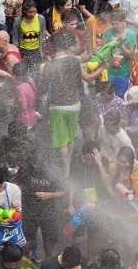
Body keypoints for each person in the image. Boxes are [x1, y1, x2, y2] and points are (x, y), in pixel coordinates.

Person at [42, 30, 103, 175]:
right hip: (75, 105)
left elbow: (44, 89)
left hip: (57, 107)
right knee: (70, 137)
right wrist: (102, 68)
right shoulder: (74, 61)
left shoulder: (48, 67)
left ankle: (66, 168)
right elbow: (89, 78)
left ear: (53, 48)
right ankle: (68, 163)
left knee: (61, 140)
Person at [16, 147, 65, 258]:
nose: (34, 165)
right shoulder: (25, 169)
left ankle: (49, 265)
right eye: (33, 162)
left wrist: (49, 195)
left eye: (37, 163)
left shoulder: (54, 171)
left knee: (48, 245)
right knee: (25, 244)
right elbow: (17, 184)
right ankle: (27, 264)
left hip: (48, 213)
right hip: (28, 212)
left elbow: (64, 192)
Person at [101, 10, 137, 97]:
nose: (114, 26)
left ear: (124, 22)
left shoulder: (131, 35)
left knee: (120, 96)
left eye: (117, 24)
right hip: (109, 71)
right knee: (107, 95)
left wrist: (121, 45)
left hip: (123, 72)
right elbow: (103, 50)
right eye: (113, 23)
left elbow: (130, 54)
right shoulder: (108, 32)